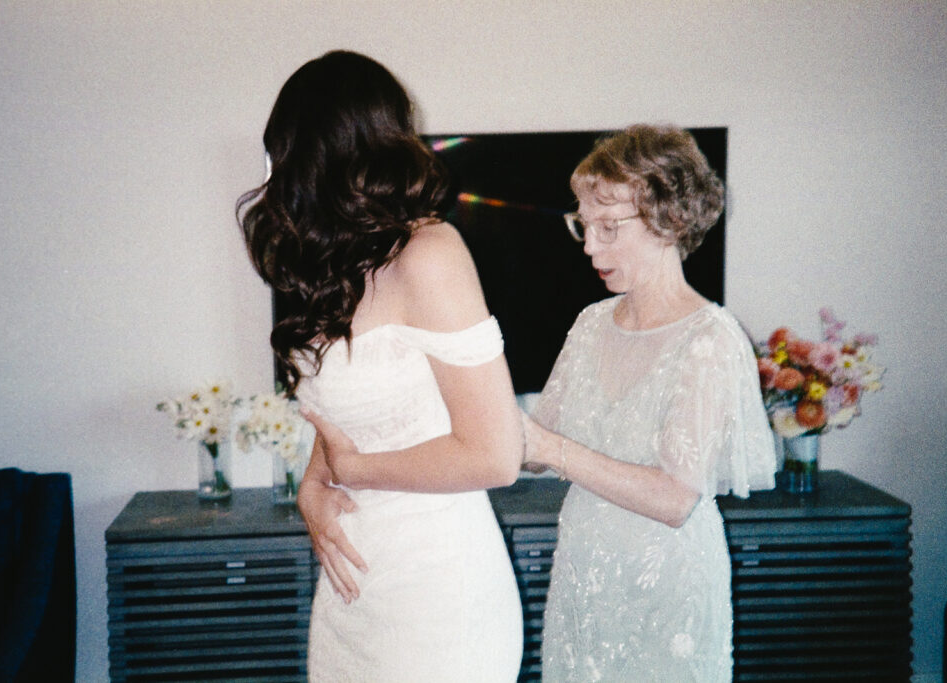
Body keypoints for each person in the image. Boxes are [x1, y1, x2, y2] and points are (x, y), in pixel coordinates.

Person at [236, 50, 524, 682]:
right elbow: (350, 409)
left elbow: (496, 456)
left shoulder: (429, 253)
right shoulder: (338, 266)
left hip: (438, 600)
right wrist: (313, 488)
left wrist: (354, 470)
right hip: (353, 591)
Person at [521, 124, 778, 681]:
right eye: (584, 226)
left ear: (671, 219)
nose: (590, 246)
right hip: (584, 581)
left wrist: (553, 449)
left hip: (667, 594)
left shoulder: (710, 338)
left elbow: (675, 497)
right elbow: (534, 448)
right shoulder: (589, 324)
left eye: (609, 227)